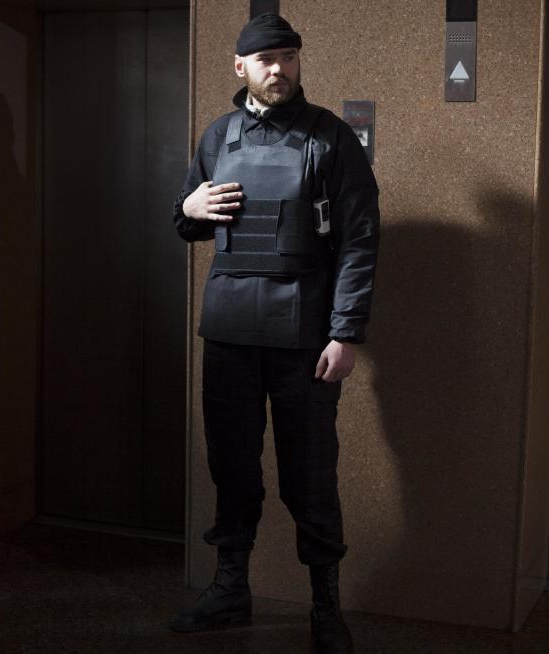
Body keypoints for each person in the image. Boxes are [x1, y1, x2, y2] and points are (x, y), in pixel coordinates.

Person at [169, 13, 379, 654]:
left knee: (310, 476)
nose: (279, 68)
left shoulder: (331, 137)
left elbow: (360, 241)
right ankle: (231, 588)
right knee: (230, 466)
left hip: (304, 336)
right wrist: (187, 210)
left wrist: (345, 332)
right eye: (266, 59)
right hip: (230, 330)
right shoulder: (217, 135)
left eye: (288, 57)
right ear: (241, 68)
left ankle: (324, 605)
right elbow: (188, 220)